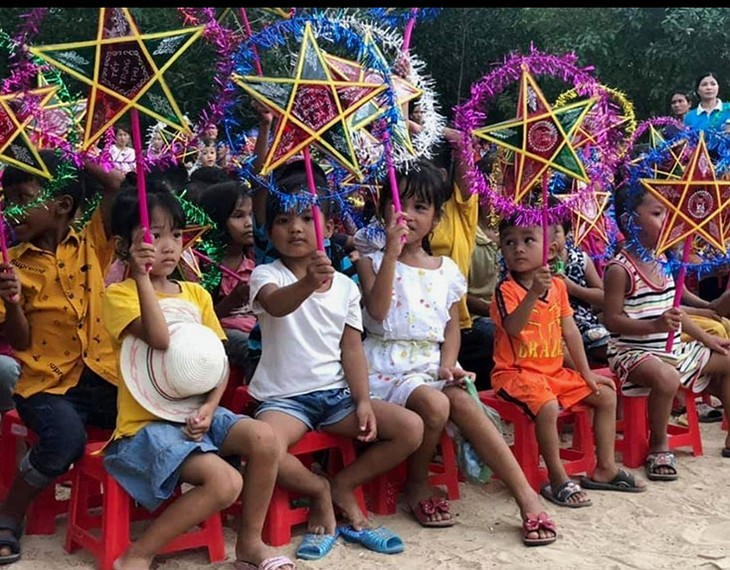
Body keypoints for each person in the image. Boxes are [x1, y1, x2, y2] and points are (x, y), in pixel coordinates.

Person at [358, 160, 558, 545]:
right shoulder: (371, 260)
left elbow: (451, 326)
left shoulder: (446, 269)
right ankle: (417, 486)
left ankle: (526, 498)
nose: (408, 215)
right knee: (436, 406)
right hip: (386, 366)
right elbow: (378, 312)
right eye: (400, 205)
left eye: (421, 208)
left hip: (430, 364)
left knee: (463, 402)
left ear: (436, 219)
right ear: (384, 209)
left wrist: (449, 365)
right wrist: (390, 255)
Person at [101, 181, 294, 570]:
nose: (169, 245)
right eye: (154, 236)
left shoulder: (196, 294)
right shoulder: (118, 295)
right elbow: (158, 338)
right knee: (226, 482)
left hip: (195, 411)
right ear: (126, 246)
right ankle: (137, 555)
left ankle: (250, 545)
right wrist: (141, 278)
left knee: (264, 437)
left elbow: (217, 363)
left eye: (175, 233)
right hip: (146, 425)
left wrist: (209, 407)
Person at [248, 165, 424, 560]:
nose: (295, 228)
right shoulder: (265, 275)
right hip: (284, 400)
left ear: (328, 229)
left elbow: (352, 349)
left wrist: (362, 400)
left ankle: (343, 484)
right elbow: (276, 306)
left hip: (335, 395)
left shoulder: (345, 285)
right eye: (283, 219)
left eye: (308, 218)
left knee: (410, 427)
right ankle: (319, 488)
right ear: (270, 231)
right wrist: (309, 282)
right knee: (263, 446)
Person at [0, 150, 124, 565]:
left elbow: (116, 185)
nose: (10, 210)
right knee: (65, 441)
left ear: (62, 204)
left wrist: (67, 152)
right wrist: (14, 302)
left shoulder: (91, 242)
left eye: (21, 197)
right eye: (6, 200)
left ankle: (143, 502)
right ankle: (10, 514)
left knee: (154, 415)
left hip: (102, 374)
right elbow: (17, 341)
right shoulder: (10, 265)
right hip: (45, 386)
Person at [491, 215, 646, 508]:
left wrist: (586, 374)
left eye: (528, 241)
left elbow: (571, 331)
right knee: (547, 406)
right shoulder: (505, 290)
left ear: (548, 250)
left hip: (554, 372)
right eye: (510, 243)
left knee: (606, 395)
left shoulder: (559, 288)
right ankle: (557, 477)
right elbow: (513, 327)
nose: (518, 249)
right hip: (515, 374)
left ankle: (605, 469)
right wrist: (534, 293)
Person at [603, 184, 730, 479]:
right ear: (630, 222)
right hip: (632, 351)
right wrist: (654, 326)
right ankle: (659, 443)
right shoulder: (619, 269)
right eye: (658, 213)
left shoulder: (662, 259)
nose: (668, 219)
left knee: (727, 355)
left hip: (669, 348)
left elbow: (676, 313)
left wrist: (706, 338)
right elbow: (612, 321)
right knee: (667, 376)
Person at [198, 181, 257, 374]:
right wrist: (232, 301)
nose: (249, 223)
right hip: (220, 334)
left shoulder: (256, 259)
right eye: (238, 216)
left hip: (257, 328)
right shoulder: (202, 265)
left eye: (251, 214)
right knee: (251, 348)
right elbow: (199, 321)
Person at [550, 218, 609, 365]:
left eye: (555, 232)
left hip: (585, 326)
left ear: (567, 233)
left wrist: (573, 288)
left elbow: (604, 298)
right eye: (542, 232)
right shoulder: (533, 265)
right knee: (567, 358)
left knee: (610, 350)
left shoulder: (580, 259)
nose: (549, 239)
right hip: (553, 331)